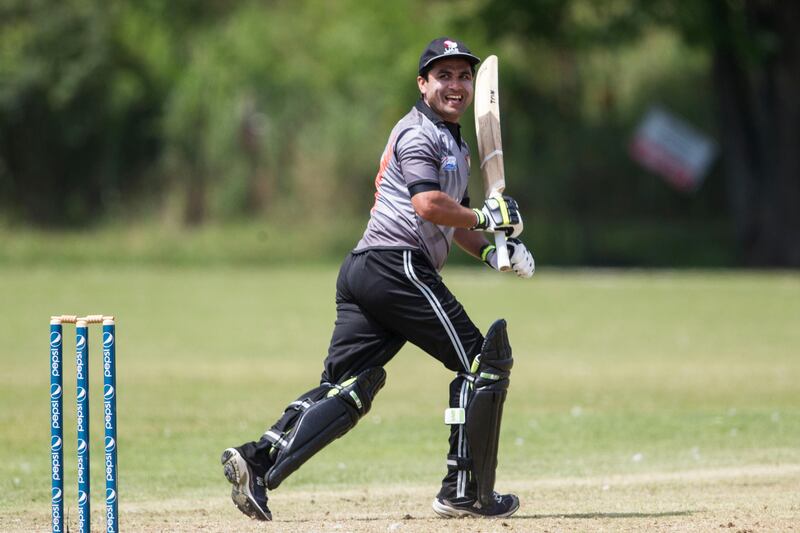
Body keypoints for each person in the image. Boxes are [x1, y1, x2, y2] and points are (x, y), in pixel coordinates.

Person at [220, 37, 535, 521]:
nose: (456, 85)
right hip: (395, 264)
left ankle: (257, 462)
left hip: (370, 269)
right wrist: (485, 215)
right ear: (423, 83)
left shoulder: (454, 143)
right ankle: (465, 492)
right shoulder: (418, 135)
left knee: (347, 387)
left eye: (463, 76)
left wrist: (495, 251)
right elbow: (428, 206)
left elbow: (451, 223)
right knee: (482, 364)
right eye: (444, 76)